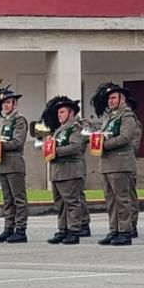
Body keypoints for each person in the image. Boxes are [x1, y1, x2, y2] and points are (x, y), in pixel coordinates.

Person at [90, 82, 139, 246]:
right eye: (109, 98)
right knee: (110, 199)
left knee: (122, 199)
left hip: (120, 162)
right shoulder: (109, 116)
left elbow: (126, 137)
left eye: (113, 98)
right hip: (107, 163)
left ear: (122, 99)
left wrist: (104, 144)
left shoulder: (127, 116)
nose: (110, 101)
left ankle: (125, 231)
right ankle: (114, 229)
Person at [43, 96, 89, 244]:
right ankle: (63, 229)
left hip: (70, 170)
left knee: (72, 202)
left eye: (62, 112)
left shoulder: (76, 129)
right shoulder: (59, 130)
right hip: (57, 171)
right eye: (58, 112)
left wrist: (55, 150)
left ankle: (74, 230)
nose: (59, 115)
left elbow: (76, 148)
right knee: (60, 203)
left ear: (71, 113)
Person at [0, 86, 30, 244]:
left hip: (14, 162)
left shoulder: (19, 120)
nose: (5, 105)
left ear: (15, 104)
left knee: (18, 198)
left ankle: (21, 229)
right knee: (7, 199)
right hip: (3, 163)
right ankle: (8, 228)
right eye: (3, 103)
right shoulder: (6, 121)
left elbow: (17, 142)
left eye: (8, 102)